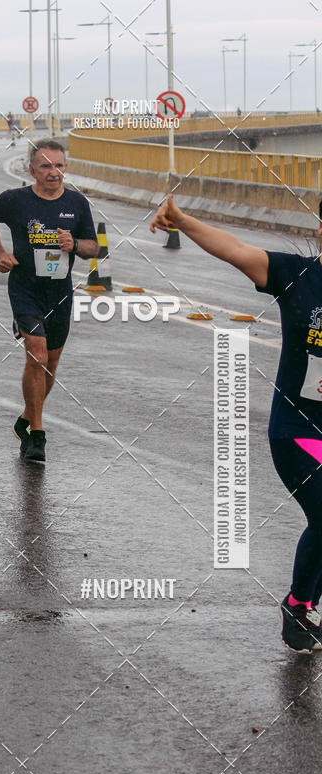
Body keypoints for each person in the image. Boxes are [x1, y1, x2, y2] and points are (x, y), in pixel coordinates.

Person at [150, 194, 322, 654]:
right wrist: (182, 220)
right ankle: (298, 606)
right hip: (298, 430)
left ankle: (308, 605)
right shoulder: (297, 276)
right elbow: (232, 249)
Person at [0, 139, 98, 463]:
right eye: (45, 166)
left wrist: (74, 244)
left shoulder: (77, 203)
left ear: (66, 167)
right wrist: (0, 253)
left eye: (59, 166)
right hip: (25, 289)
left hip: (59, 292)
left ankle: (26, 417)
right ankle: (38, 433)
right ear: (32, 169)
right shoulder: (15, 200)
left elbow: (94, 249)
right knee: (37, 353)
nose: (53, 172)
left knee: (51, 362)